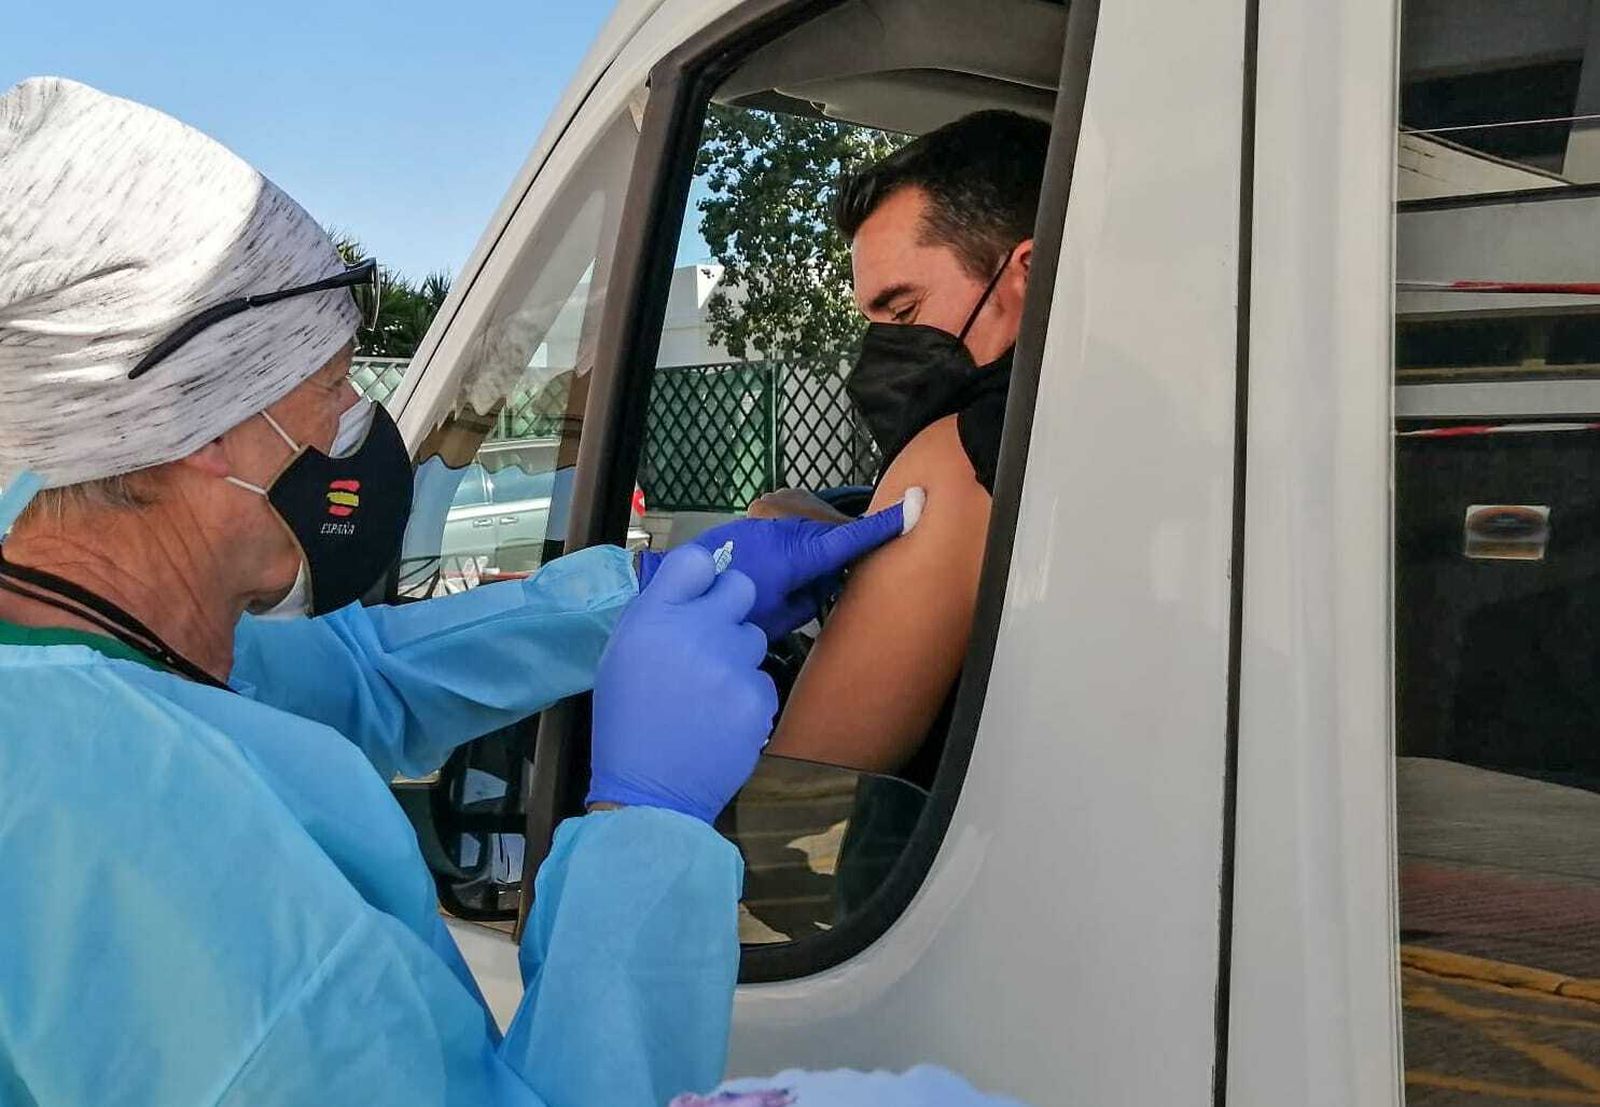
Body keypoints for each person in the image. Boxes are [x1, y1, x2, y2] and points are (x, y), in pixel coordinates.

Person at [0, 77, 912, 1106]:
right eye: (335, 387)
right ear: (201, 422)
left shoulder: (89, 622)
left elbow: (361, 675)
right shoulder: (146, 835)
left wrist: (642, 592)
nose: (355, 425)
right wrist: (645, 822)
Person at [758, 110, 1050, 784]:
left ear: (1028, 274)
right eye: (874, 324)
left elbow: (800, 805)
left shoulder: (959, 454)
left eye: (904, 310)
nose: (883, 353)